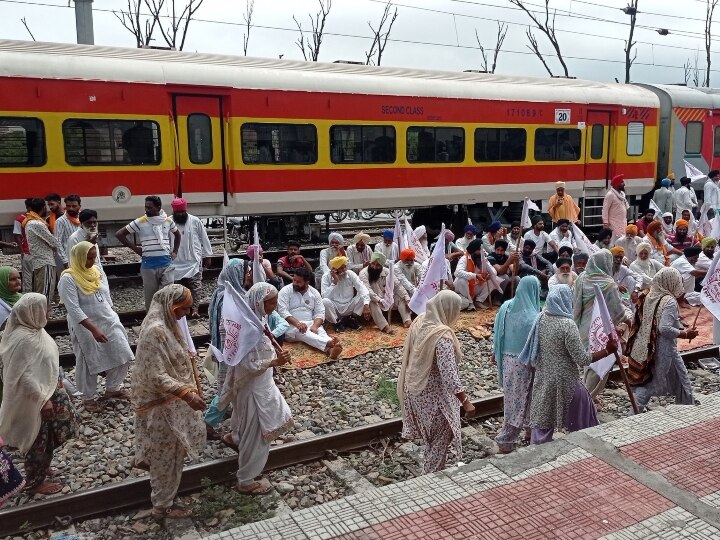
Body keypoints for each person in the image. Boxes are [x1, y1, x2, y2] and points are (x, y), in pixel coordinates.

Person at [131, 285, 206, 518]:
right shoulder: (156, 330)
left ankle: (167, 496)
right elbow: (155, 375)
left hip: (170, 402)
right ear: (169, 306)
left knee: (173, 451)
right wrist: (187, 394)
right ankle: (162, 506)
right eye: (181, 309)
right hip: (160, 405)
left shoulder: (167, 324)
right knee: (165, 456)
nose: (184, 314)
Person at [218, 283, 294, 494]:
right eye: (270, 302)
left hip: (259, 385)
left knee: (246, 422)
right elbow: (247, 364)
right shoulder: (248, 328)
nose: (274, 306)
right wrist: (274, 363)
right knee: (259, 433)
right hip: (254, 388)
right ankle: (246, 479)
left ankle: (235, 438)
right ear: (259, 301)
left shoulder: (254, 319)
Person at [0, 293, 79, 495]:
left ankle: (43, 466)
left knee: (51, 434)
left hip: (49, 391)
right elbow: (22, 376)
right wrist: (42, 400)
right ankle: (35, 482)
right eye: (46, 309)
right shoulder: (23, 339)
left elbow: (46, 362)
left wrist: (56, 380)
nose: (49, 313)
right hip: (37, 399)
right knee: (38, 438)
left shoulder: (36, 331)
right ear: (32, 312)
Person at [521, 285, 615, 444]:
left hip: (544, 379)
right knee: (584, 417)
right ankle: (588, 446)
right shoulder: (567, 324)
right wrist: (607, 351)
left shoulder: (541, 318)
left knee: (543, 422)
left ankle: (536, 456)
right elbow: (583, 359)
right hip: (566, 382)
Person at [398, 291, 474, 473]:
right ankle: (429, 481)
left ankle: (430, 471)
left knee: (431, 441)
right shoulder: (442, 337)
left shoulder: (420, 321)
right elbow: (449, 376)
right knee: (439, 443)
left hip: (416, 393)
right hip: (436, 401)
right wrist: (465, 401)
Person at [58, 242, 134, 412]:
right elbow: (74, 309)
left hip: (108, 319)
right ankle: (88, 397)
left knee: (122, 352)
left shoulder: (95, 272)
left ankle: (112, 388)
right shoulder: (68, 278)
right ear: (78, 258)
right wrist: (93, 329)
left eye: (94, 257)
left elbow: (105, 296)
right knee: (88, 360)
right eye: (88, 258)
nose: (92, 261)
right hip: (84, 326)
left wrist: (112, 314)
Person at [630, 268, 696, 411]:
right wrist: (685, 333)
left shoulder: (650, 294)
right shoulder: (670, 301)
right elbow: (664, 328)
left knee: (680, 377)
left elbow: (655, 317)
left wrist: (677, 321)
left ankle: (687, 406)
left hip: (647, 345)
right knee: (652, 384)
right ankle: (633, 413)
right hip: (665, 349)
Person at [574, 250, 632, 399]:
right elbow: (617, 311)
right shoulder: (608, 284)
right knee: (599, 368)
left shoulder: (581, 278)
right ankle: (586, 400)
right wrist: (628, 319)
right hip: (600, 329)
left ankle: (586, 396)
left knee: (589, 361)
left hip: (582, 327)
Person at [493, 276, 540, 453]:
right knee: (526, 398)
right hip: (525, 363)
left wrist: (495, 351)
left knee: (512, 398)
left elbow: (498, 331)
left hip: (506, 359)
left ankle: (521, 432)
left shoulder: (506, 307)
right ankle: (509, 436)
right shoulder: (535, 317)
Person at [116, 196, 181, 310]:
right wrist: (136, 248)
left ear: (158, 207)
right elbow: (120, 234)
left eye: (150, 207)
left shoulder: (167, 221)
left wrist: (175, 251)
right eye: (146, 207)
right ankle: (152, 323)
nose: (146, 210)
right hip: (148, 266)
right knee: (151, 299)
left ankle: (166, 320)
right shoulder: (140, 221)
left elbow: (178, 235)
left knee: (167, 294)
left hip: (166, 263)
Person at [278, 267, 342, 358]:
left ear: (307, 283)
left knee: (320, 331)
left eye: (299, 282)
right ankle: (328, 342)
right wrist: (298, 323)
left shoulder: (314, 292)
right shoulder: (285, 291)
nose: (295, 283)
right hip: (291, 325)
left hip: (310, 322)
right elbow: (282, 311)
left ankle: (331, 350)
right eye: (294, 280)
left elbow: (320, 312)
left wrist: (315, 326)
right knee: (303, 332)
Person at [170, 198, 213, 319]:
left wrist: (207, 256)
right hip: (176, 261)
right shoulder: (168, 222)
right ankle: (177, 309)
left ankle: (195, 310)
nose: (180, 215)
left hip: (193, 260)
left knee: (196, 286)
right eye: (177, 213)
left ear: (185, 210)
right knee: (176, 288)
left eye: (182, 212)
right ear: (174, 212)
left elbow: (204, 238)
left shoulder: (195, 221)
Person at [359, 252, 412, 333]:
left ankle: (407, 320)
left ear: (382, 266)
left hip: (388, 297)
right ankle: (385, 326)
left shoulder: (387, 271)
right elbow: (367, 290)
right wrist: (380, 300)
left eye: (378, 265)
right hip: (376, 299)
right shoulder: (363, 273)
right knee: (371, 303)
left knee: (402, 297)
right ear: (370, 262)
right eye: (373, 264)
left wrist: (407, 298)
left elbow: (397, 285)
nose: (374, 267)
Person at [24, 197, 60, 307]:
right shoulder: (37, 224)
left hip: (39, 262)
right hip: (45, 262)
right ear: (43, 207)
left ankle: (39, 318)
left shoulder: (29, 222)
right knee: (45, 295)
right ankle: (41, 320)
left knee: (40, 292)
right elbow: (54, 242)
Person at [321, 256, 371, 332]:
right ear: (334, 269)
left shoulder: (350, 274)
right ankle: (337, 322)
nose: (344, 270)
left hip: (349, 306)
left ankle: (351, 319)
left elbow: (362, 289)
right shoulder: (326, 277)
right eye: (341, 268)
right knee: (324, 301)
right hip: (334, 307)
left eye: (345, 267)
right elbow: (324, 296)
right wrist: (334, 282)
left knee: (363, 296)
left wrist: (366, 306)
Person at [454, 239, 492, 310]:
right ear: (474, 251)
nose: (480, 252)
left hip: (475, 285)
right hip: (463, 288)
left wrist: (488, 274)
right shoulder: (464, 258)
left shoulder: (482, 258)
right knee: (462, 280)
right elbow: (457, 272)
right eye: (479, 250)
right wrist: (475, 275)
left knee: (492, 280)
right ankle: (470, 303)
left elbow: (493, 271)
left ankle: (478, 301)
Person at [53, 194, 81, 270]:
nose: (71, 208)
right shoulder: (61, 221)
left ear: (79, 206)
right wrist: (65, 261)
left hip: (82, 257)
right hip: (69, 259)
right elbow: (57, 242)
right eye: (68, 206)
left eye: (74, 206)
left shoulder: (83, 218)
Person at [602, 174, 630, 240]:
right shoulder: (610, 195)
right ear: (617, 184)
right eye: (622, 182)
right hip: (613, 224)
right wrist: (605, 223)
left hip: (622, 223)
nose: (624, 184)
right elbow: (605, 209)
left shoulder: (622, 194)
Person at [13, 199, 32, 292]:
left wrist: (21, 252)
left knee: (27, 276)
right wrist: (22, 251)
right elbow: (17, 236)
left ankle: (28, 295)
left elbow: (17, 235)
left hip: (28, 252)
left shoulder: (20, 218)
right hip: (28, 251)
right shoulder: (38, 218)